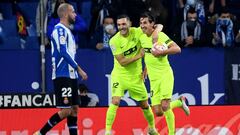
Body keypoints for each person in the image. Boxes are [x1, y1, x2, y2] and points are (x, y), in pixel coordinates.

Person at [34, 3, 88, 135]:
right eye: (73, 12)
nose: (75, 15)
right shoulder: (59, 30)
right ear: (65, 14)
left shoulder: (67, 30)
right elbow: (63, 53)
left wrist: (75, 71)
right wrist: (79, 68)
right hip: (62, 74)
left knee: (74, 109)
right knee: (66, 110)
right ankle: (40, 133)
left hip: (71, 75)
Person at [105, 14, 160, 135]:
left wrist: (146, 68)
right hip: (120, 75)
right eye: (119, 25)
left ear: (129, 23)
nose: (121, 27)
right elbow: (122, 61)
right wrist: (139, 56)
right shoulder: (114, 41)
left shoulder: (138, 32)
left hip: (136, 76)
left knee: (145, 105)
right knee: (115, 101)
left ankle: (152, 128)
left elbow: (158, 26)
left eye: (124, 24)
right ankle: (107, 131)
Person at [139, 12, 190, 135]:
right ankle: (179, 102)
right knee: (158, 111)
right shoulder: (141, 37)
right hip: (153, 78)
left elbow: (177, 49)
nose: (142, 25)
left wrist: (162, 52)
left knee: (165, 105)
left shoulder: (160, 35)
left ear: (152, 24)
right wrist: (145, 70)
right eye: (141, 23)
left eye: (145, 22)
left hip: (165, 74)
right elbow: (147, 54)